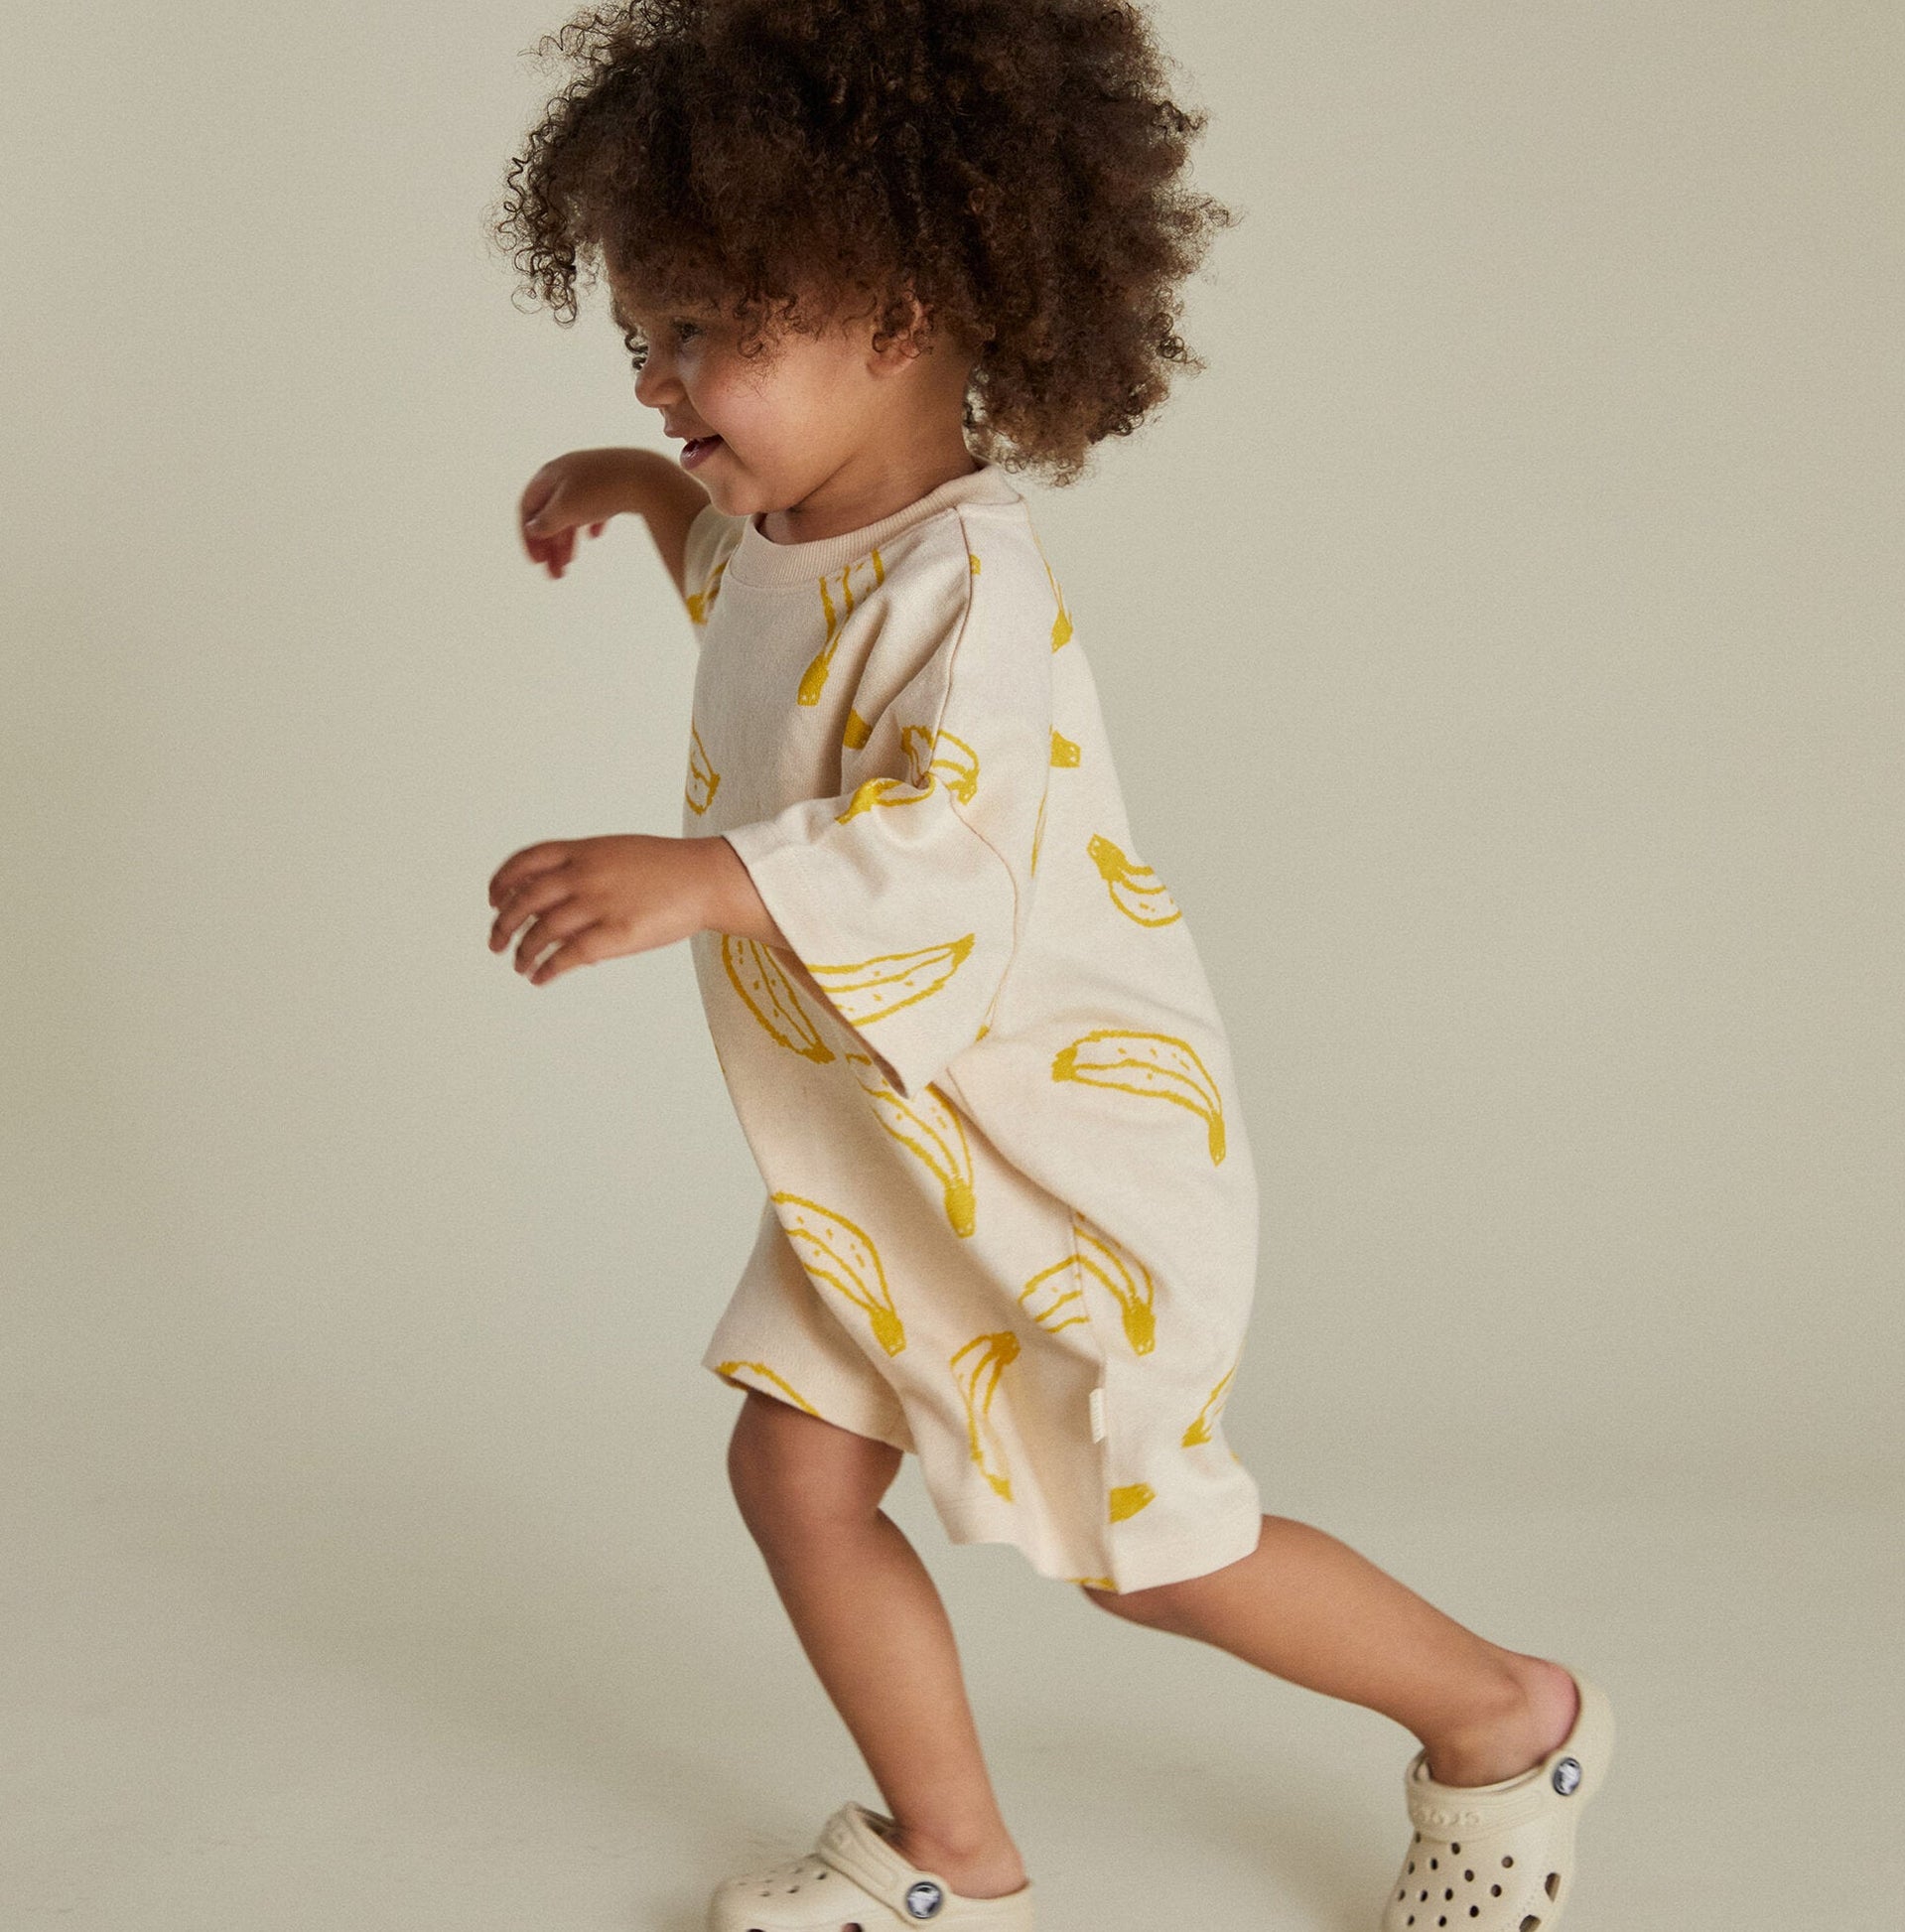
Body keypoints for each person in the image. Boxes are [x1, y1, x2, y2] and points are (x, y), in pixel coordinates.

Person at [483, 4, 1614, 1928]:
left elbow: (946, 861)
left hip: (1057, 1171)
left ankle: (1507, 1712)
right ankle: (954, 1853)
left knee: (1150, 1552)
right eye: (643, 340)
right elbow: (756, 611)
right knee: (791, 1471)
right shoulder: (801, 525)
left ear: (899, 311)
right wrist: (646, 480)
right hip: (891, 1163)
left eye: (707, 337)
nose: (671, 376)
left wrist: (698, 878)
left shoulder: (971, 586)